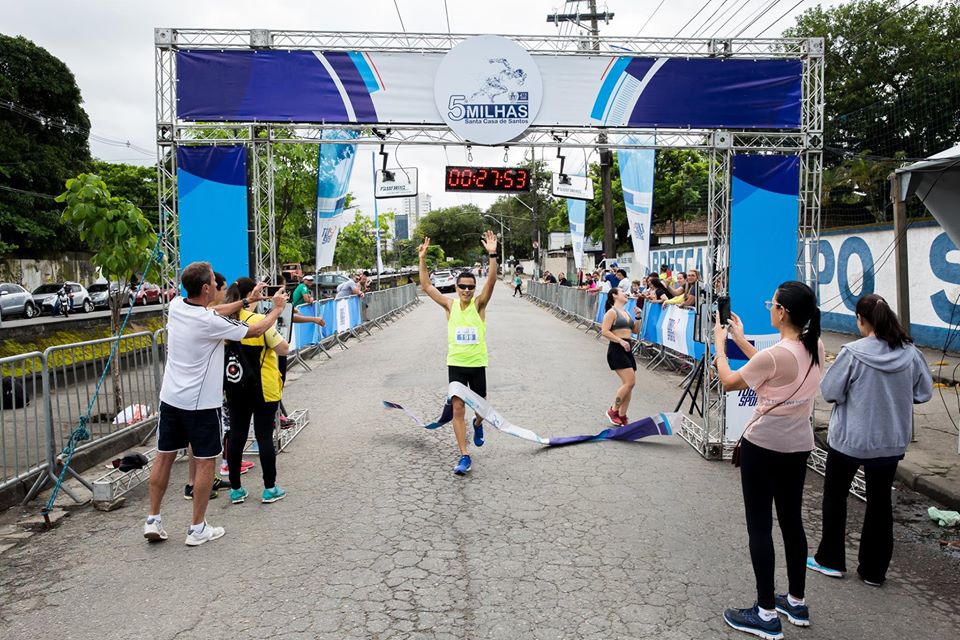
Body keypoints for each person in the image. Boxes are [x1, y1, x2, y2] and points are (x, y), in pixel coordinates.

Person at [144, 262, 287, 546]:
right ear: (206, 288)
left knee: (164, 456)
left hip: (170, 398)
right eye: (213, 280)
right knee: (205, 461)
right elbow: (256, 330)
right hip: (200, 405)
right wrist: (276, 310)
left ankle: (153, 519)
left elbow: (215, 311)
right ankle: (197, 528)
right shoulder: (211, 323)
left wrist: (246, 301)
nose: (217, 284)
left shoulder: (177, 306)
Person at [714, 281, 823, 637]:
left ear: (783, 312)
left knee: (760, 526)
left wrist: (720, 345)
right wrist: (741, 338)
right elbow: (769, 366)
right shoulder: (814, 345)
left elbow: (730, 381)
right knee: (792, 523)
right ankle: (796, 601)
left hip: (763, 446)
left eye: (772, 304)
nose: (770, 308)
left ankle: (764, 613)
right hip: (798, 446)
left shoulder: (776, 355)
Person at [808, 293, 933, 586]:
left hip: (850, 439)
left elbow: (830, 392)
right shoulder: (911, 353)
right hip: (890, 441)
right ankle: (874, 571)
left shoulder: (853, 353)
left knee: (835, 497)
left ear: (861, 320)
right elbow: (923, 392)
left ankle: (831, 560)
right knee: (880, 502)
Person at [419, 231, 498, 475]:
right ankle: (464, 455)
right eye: (462, 286)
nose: (466, 290)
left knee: (481, 409)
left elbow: (491, 282)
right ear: (456, 287)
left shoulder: (479, 305)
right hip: (456, 364)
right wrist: (422, 259)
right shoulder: (449, 305)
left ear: (474, 289)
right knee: (458, 408)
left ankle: (478, 424)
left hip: (477, 364)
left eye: (470, 287)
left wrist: (492, 255)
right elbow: (427, 286)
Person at [223, 278, 291, 505]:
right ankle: (270, 488)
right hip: (263, 387)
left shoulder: (226, 322)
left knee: (237, 436)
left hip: (235, 386)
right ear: (253, 294)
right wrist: (277, 311)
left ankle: (235, 489)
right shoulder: (260, 321)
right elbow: (283, 348)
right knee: (264, 437)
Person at [600, 287, 642, 426]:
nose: (626, 293)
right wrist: (620, 341)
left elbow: (635, 330)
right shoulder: (611, 312)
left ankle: (622, 415)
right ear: (615, 295)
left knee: (628, 385)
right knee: (630, 382)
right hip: (617, 349)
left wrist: (638, 317)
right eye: (622, 291)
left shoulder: (626, 312)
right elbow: (604, 331)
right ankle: (613, 410)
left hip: (627, 348)